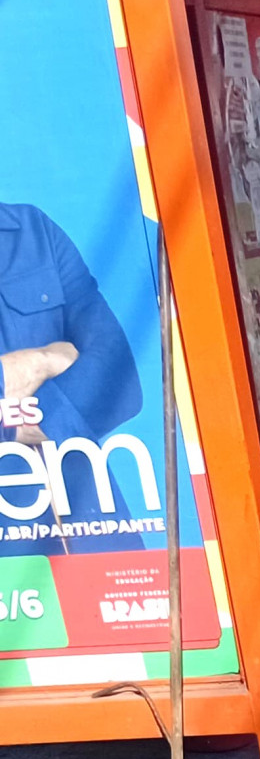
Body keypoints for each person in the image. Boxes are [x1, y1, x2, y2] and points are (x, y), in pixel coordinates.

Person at [0, 201, 143, 555]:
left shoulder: (33, 231)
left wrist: (32, 398)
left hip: (93, 535)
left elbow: (118, 370)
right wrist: (45, 361)